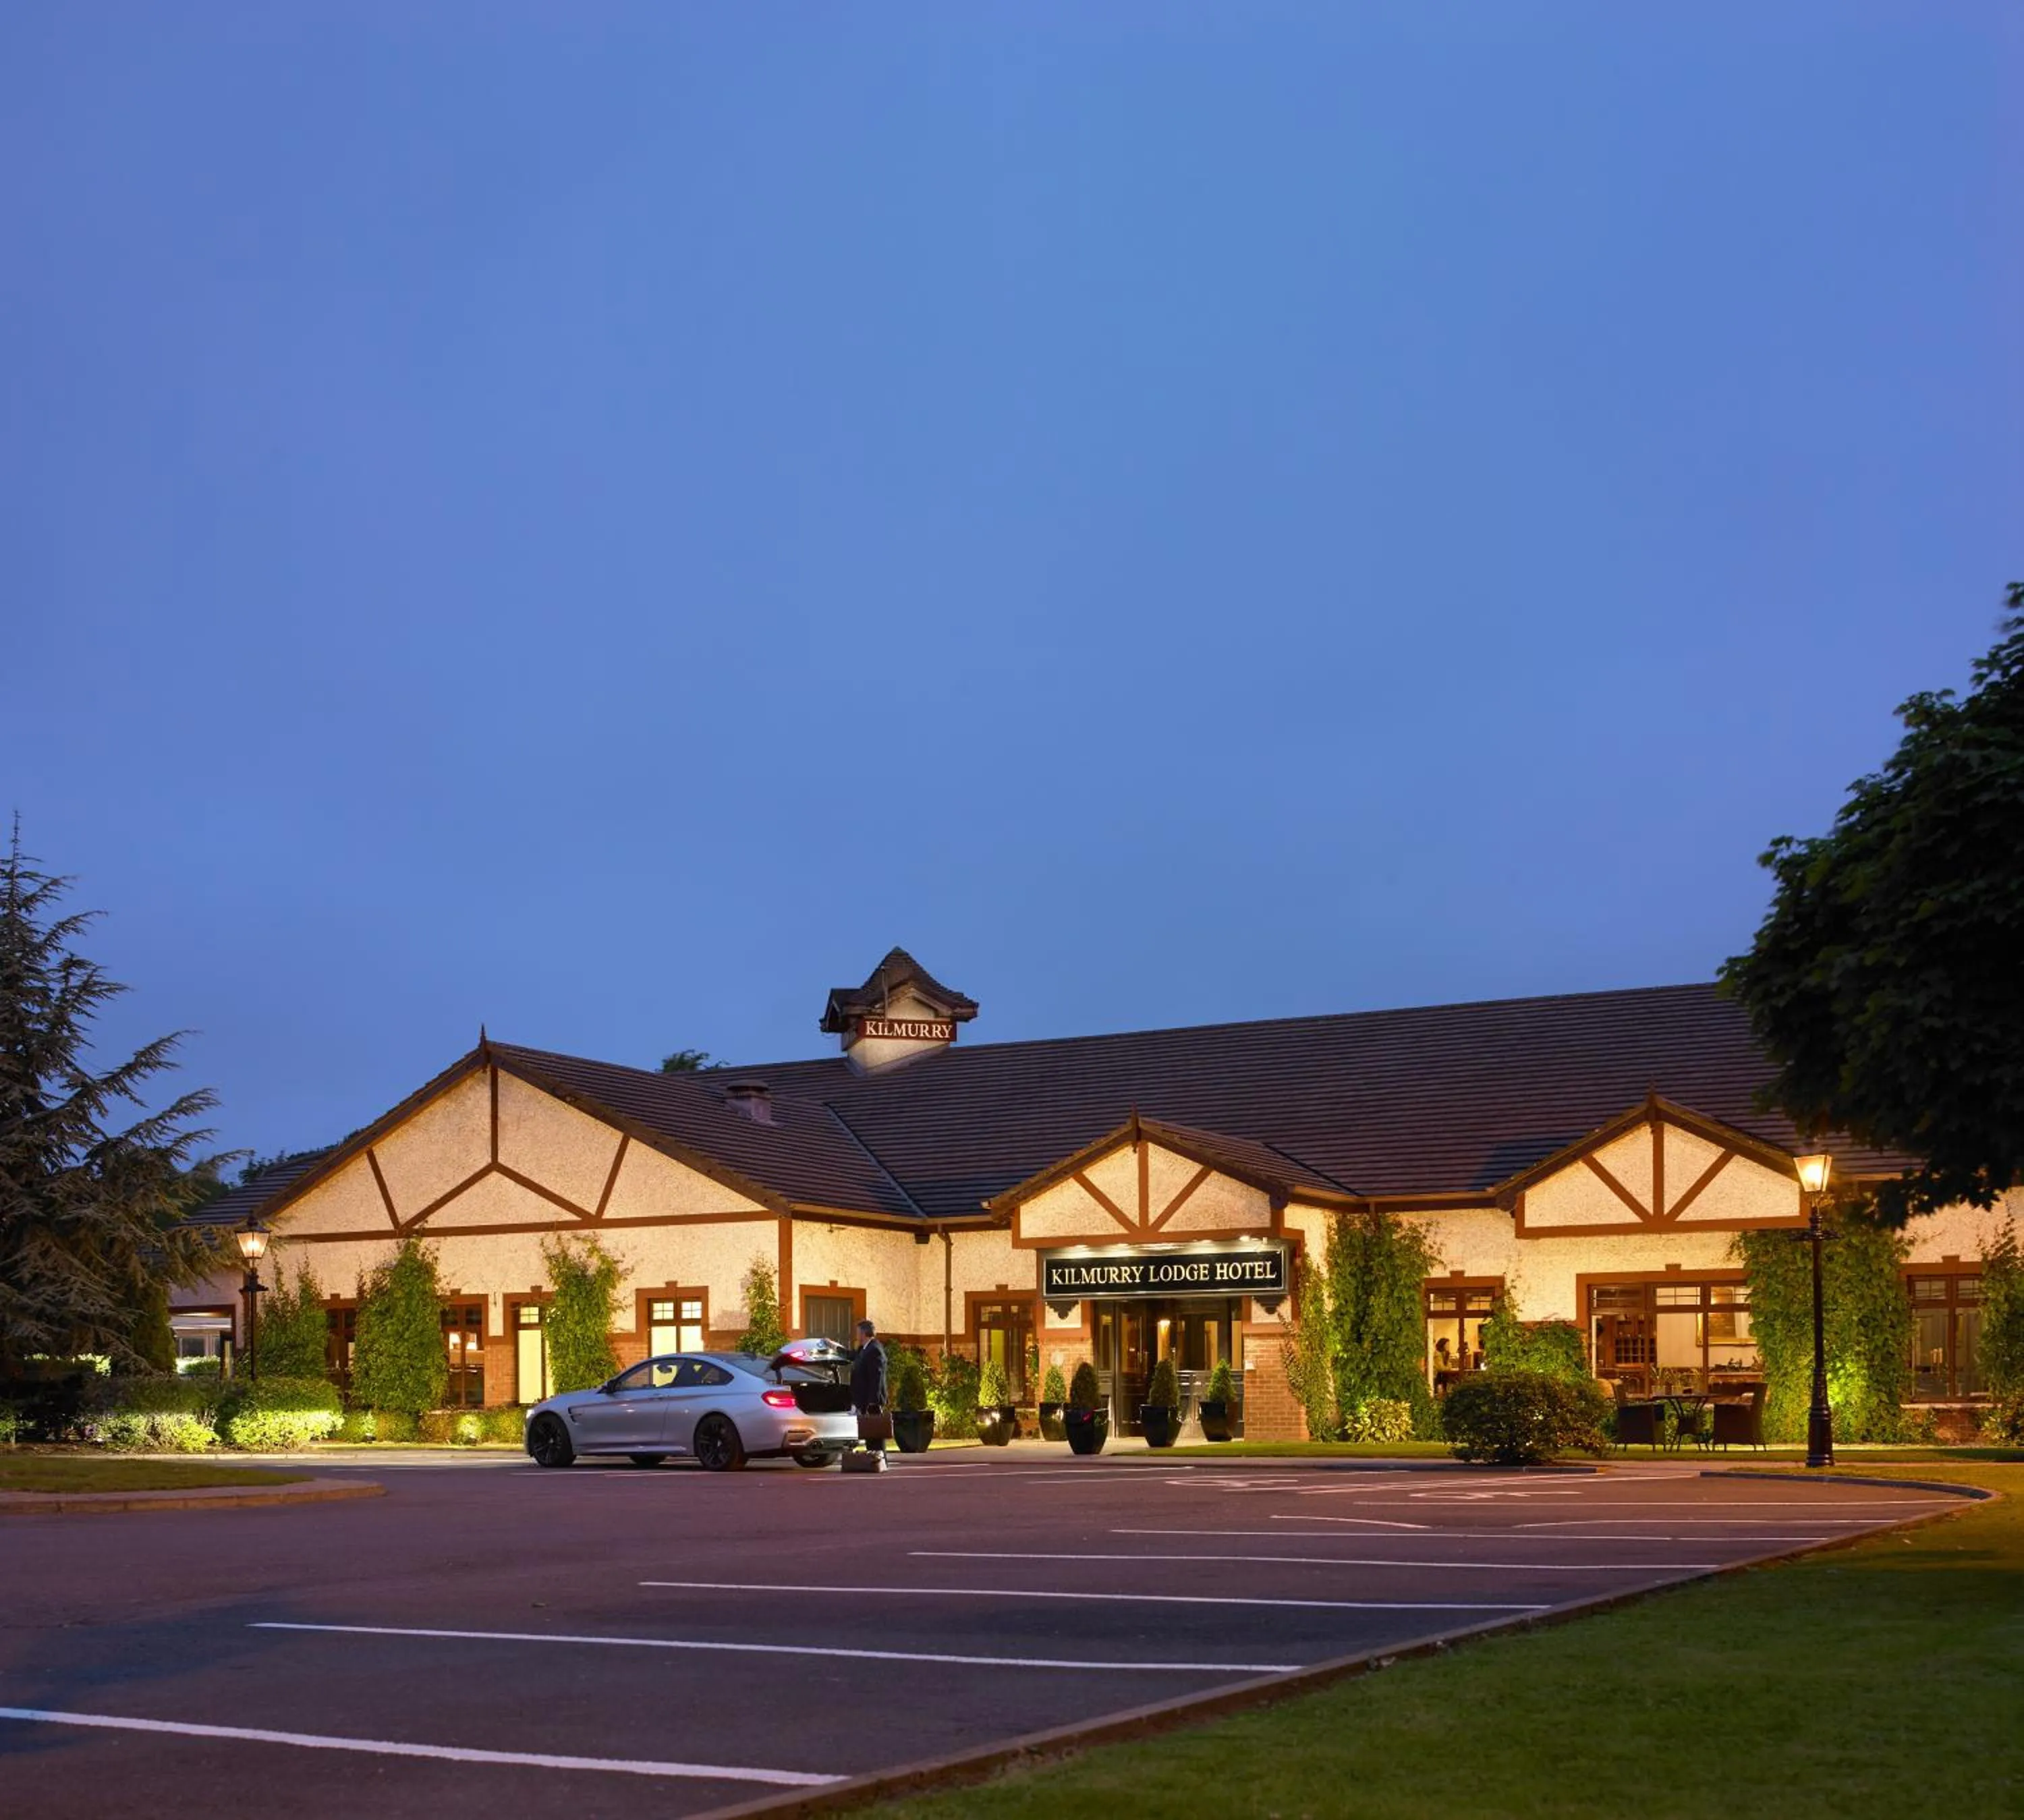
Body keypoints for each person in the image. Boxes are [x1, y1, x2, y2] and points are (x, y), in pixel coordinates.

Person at [849, 1317, 889, 1458]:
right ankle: (873, 1459)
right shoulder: (864, 1349)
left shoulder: (874, 1350)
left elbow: (876, 1378)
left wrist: (873, 1401)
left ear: (864, 1334)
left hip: (873, 1400)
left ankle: (880, 1459)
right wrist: (834, 1347)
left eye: (858, 1333)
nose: (856, 1335)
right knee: (869, 1432)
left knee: (875, 1432)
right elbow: (851, 1356)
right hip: (865, 1399)